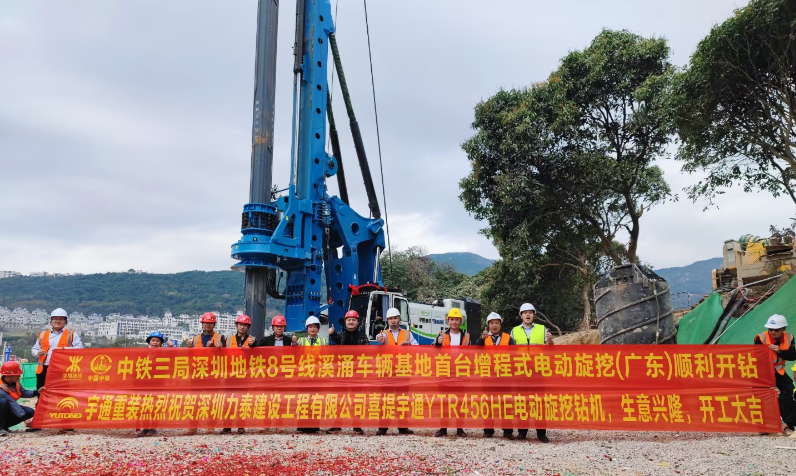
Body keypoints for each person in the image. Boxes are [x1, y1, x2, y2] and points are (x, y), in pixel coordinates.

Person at [30, 307, 83, 435]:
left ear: (65, 321)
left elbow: (80, 348)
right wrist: (38, 352)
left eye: (60, 319)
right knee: (41, 395)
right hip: (44, 368)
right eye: (55, 319)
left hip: (63, 370)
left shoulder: (71, 334)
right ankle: (38, 423)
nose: (57, 321)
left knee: (64, 396)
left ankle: (66, 424)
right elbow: (33, 350)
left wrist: (63, 349)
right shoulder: (43, 335)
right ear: (51, 321)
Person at [511, 303, 552, 443]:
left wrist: (550, 340)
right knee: (523, 401)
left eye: (530, 312)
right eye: (525, 312)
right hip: (521, 371)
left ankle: (541, 433)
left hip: (537, 371)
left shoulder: (542, 329)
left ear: (534, 315)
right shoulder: (514, 331)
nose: (527, 315)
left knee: (539, 402)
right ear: (521, 316)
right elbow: (509, 351)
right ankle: (522, 432)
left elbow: (550, 348)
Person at [375, 307, 417, 436]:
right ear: (387, 320)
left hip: (402, 369)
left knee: (402, 398)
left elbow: (416, 347)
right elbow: (379, 339)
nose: (393, 321)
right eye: (390, 319)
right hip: (387, 370)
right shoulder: (383, 333)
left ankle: (403, 427)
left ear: (400, 319)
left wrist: (409, 346)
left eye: (395, 318)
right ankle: (383, 427)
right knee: (385, 399)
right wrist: (380, 339)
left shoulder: (407, 333)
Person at [183, 312, 226, 436]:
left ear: (214, 324)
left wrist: (218, 348)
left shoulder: (220, 337)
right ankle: (192, 426)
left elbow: (225, 354)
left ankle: (210, 426)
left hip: (213, 373)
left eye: (210, 323)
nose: (208, 324)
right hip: (198, 373)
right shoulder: (196, 339)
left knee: (211, 400)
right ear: (202, 324)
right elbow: (192, 356)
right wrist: (190, 348)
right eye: (206, 322)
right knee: (195, 400)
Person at [327, 310, 369, 435]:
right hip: (343, 373)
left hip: (357, 373)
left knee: (356, 399)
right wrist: (332, 334)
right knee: (340, 399)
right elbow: (336, 340)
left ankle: (356, 425)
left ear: (357, 322)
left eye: (353, 320)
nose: (351, 322)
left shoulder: (362, 336)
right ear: (345, 322)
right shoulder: (342, 335)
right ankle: (336, 425)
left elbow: (367, 352)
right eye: (349, 320)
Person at [475, 312, 516, 439]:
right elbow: (474, 352)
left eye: (496, 323)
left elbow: (514, 355)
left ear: (500, 324)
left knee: (506, 404)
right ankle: (488, 430)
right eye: (492, 323)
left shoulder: (508, 338)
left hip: (504, 376)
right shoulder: (483, 338)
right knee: (488, 403)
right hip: (488, 376)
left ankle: (508, 431)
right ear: (488, 324)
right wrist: (481, 339)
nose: (494, 325)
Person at [754, 314, 796, 435]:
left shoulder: (789, 338)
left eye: (776, 330)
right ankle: (763, 427)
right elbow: (756, 357)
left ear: (783, 329)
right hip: (763, 373)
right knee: (761, 397)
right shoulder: (760, 339)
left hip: (779, 371)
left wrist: (780, 351)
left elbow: (793, 355)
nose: (772, 332)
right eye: (770, 329)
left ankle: (788, 424)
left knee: (790, 393)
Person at [434, 308, 472, 438]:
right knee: (444, 401)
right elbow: (434, 353)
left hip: (460, 373)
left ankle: (459, 428)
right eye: (452, 319)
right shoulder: (441, 335)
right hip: (445, 372)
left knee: (459, 401)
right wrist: (438, 344)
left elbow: (471, 354)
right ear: (448, 321)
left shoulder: (466, 336)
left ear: (460, 321)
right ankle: (443, 428)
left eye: (456, 319)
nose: (454, 322)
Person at [220, 315, 256, 435]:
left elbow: (257, 354)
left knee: (242, 401)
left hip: (244, 376)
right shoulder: (229, 340)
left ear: (248, 327)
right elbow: (221, 354)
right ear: (236, 325)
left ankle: (241, 425)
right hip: (230, 375)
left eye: (245, 325)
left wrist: (253, 344)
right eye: (240, 324)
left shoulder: (252, 340)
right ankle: (227, 426)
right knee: (228, 401)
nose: (242, 327)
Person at [296, 316, 326, 434]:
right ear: (307, 329)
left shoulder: (324, 341)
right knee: (303, 399)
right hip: (304, 375)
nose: (313, 329)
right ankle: (302, 425)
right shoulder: (301, 341)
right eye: (310, 327)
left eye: (315, 327)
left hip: (317, 375)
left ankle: (314, 426)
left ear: (318, 329)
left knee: (315, 399)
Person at [137, 331, 167, 437]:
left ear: (161, 343)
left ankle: (153, 428)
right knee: (144, 405)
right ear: (149, 341)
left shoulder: (164, 353)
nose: (155, 342)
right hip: (144, 382)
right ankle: (145, 427)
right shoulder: (144, 352)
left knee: (155, 405)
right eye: (153, 340)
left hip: (158, 383)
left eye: (157, 341)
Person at [0, 361, 42, 436]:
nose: (20, 376)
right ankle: (1, 428)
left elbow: (24, 392)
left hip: (9, 407)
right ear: (10, 376)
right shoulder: (1, 387)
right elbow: (11, 402)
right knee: (3, 401)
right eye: (18, 374)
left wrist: (37, 392)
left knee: (29, 411)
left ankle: (5, 426)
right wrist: (25, 418)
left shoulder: (16, 383)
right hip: (5, 406)